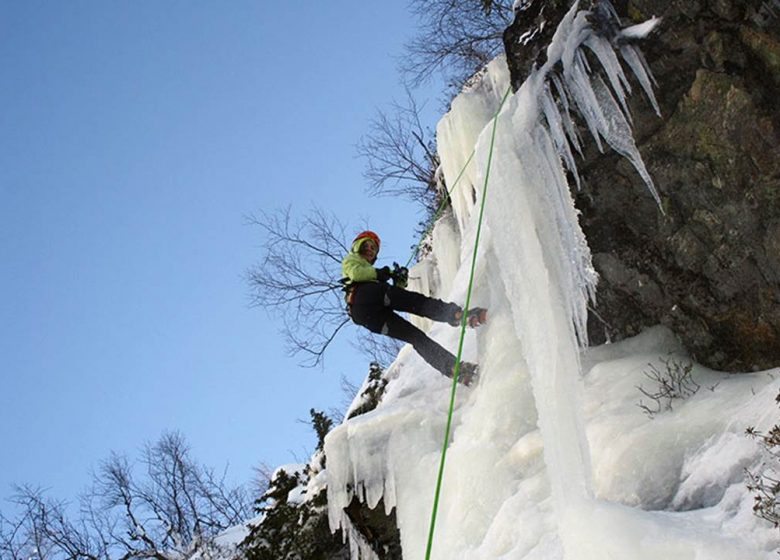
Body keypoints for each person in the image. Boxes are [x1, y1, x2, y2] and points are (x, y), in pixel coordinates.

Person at [341, 230, 487, 386]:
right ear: (358, 246)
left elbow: (388, 292)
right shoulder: (351, 260)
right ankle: (456, 315)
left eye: (373, 249)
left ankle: (452, 367)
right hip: (362, 296)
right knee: (415, 302)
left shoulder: (371, 276)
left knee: (415, 337)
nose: (370, 250)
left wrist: (398, 280)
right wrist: (382, 274)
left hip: (368, 316)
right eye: (367, 246)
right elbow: (357, 274)